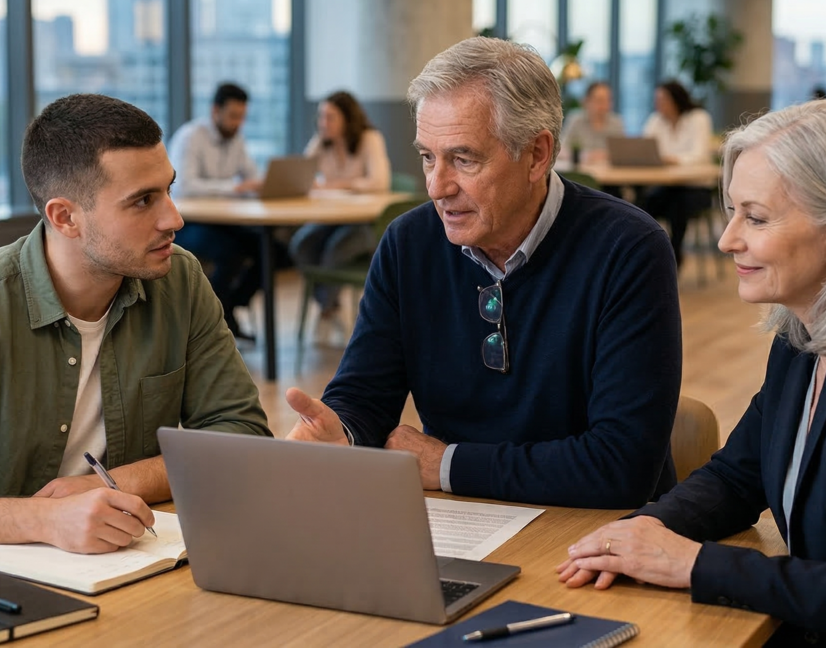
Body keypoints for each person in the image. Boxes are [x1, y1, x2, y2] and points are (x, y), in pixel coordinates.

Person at [558, 101, 826, 647]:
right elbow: (735, 479)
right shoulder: (801, 340)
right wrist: (641, 530)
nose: (728, 239)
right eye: (732, 212)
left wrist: (689, 562)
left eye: (756, 217)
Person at [0, 94, 271, 584]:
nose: (173, 219)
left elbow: (242, 435)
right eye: (143, 200)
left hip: (106, 568)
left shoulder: (179, 282)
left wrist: (109, 485)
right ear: (65, 217)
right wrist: (48, 520)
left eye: (168, 190)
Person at [282, 37, 682, 508]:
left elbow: (622, 466)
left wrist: (447, 464)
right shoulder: (408, 243)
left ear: (537, 155)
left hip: (599, 529)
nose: (436, 187)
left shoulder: (628, 248)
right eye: (428, 157)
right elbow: (365, 394)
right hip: (463, 516)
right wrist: (341, 435)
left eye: (463, 159)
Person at [290, 91, 392, 343]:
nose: (323, 123)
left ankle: (325, 312)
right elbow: (302, 175)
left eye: (330, 117)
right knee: (301, 244)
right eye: (321, 117)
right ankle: (332, 305)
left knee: (335, 250)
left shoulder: (370, 139)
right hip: (332, 220)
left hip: (366, 223)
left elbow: (380, 182)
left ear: (347, 119)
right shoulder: (321, 141)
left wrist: (337, 184)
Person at [168, 82, 264, 340]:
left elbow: (251, 176)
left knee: (269, 250)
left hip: (222, 222)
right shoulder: (190, 137)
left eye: (241, 117)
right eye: (233, 116)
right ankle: (211, 322)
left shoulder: (236, 139)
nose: (237, 123)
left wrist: (258, 185)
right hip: (186, 223)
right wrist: (233, 188)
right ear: (215, 111)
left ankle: (229, 306)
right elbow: (183, 186)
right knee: (231, 254)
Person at [641, 80, 716, 267]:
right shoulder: (656, 121)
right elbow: (645, 149)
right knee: (643, 205)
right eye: (657, 100)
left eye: (663, 100)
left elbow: (700, 155)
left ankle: (674, 255)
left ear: (677, 99)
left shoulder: (698, 118)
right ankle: (645, 253)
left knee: (678, 206)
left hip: (697, 188)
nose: (659, 105)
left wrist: (673, 159)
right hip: (667, 186)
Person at [558, 81, 624, 166]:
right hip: (582, 170)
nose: (605, 105)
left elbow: (622, 153)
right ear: (587, 101)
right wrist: (586, 155)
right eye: (600, 100)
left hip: (610, 171)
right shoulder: (576, 120)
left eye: (608, 100)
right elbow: (561, 150)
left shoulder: (616, 123)